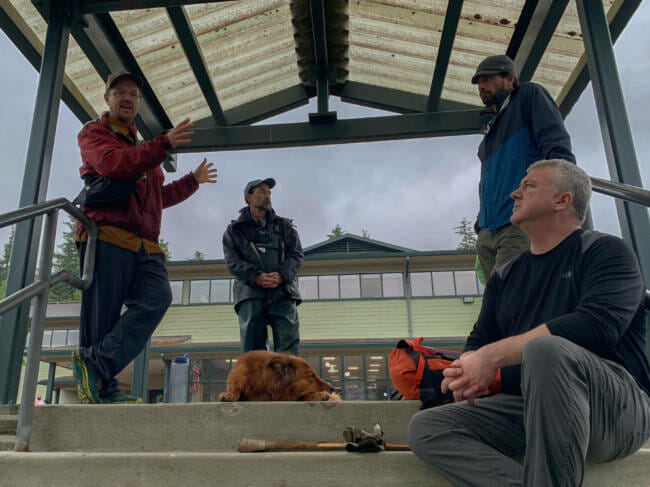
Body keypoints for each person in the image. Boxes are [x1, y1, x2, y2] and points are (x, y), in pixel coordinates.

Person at [408, 159, 650, 486]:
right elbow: (481, 339)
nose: (514, 193)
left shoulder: (605, 252)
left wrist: (490, 360)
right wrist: (468, 370)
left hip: (615, 412)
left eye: (529, 186)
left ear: (562, 200)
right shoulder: (505, 276)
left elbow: (598, 326)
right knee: (427, 427)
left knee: (546, 349)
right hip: (533, 408)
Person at [71, 71, 217, 404]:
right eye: (119, 92)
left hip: (145, 246)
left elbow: (157, 198)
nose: (127, 98)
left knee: (157, 298)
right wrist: (163, 143)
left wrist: (191, 181)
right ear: (107, 99)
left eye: (134, 94)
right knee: (102, 316)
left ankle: (94, 365)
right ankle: (103, 388)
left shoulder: (143, 149)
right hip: (106, 236)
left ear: (138, 103)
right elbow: (114, 166)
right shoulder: (95, 133)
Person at [472, 54, 576, 279]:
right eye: (478, 82)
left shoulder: (528, 95)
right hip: (489, 229)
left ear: (509, 78)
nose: (481, 86)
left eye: (487, 78)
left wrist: (564, 194)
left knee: (514, 299)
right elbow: (491, 180)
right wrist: (480, 224)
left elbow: (556, 143)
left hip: (518, 222)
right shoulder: (492, 128)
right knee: (497, 304)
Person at [223, 178, 303, 355]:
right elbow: (232, 261)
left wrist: (282, 275)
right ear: (248, 197)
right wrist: (255, 276)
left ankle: (287, 383)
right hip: (250, 293)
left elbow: (296, 255)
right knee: (253, 353)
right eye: (261, 192)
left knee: (289, 352)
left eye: (269, 193)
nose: (267, 196)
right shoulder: (234, 231)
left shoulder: (286, 228)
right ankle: (255, 383)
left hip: (283, 291)